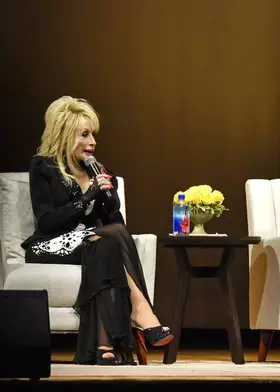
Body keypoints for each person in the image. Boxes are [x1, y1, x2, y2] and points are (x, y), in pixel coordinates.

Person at [21, 96, 174, 365]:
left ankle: (104, 347)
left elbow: (117, 227)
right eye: (85, 134)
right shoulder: (43, 167)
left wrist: (108, 199)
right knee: (107, 240)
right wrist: (87, 196)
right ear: (65, 135)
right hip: (50, 244)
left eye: (93, 134)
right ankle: (142, 309)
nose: (93, 141)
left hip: (92, 244)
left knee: (107, 244)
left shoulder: (98, 171)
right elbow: (47, 222)